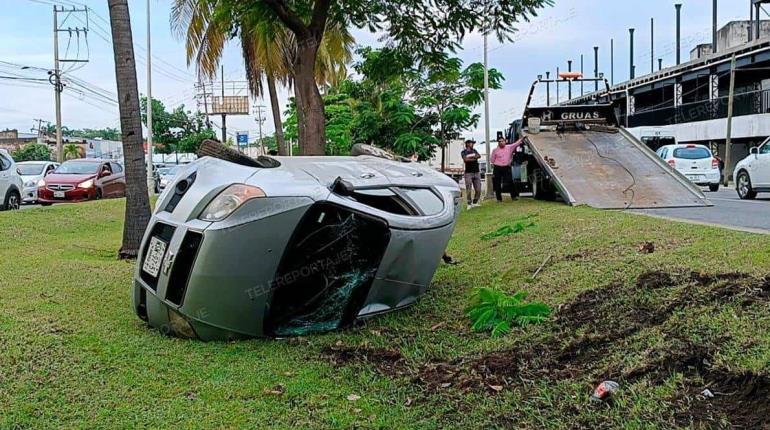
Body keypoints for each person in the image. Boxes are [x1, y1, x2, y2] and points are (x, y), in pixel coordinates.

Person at [490, 137, 520, 202]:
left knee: (510, 181)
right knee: (497, 183)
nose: (501, 142)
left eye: (502, 141)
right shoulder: (495, 150)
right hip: (497, 167)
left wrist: (522, 138)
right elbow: (492, 160)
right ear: (498, 143)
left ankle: (514, 196)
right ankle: (499, 199)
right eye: (499, 141)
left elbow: (516, 144)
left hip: (506, 167)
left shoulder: (509, 147)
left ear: (505, 141)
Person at [461, 140, 482, 209]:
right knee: (469, 188)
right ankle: (469, 203)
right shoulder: (463, 152)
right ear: (467, 144)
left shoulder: (474, 150)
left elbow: (479, 156)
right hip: (468, 173)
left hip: (476, 172)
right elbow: (465, 160)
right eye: (471, 143)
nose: (472, 144)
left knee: (478, 189)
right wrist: (473, 158)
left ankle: (475, 202)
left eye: (473, 143)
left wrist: (470, 157)